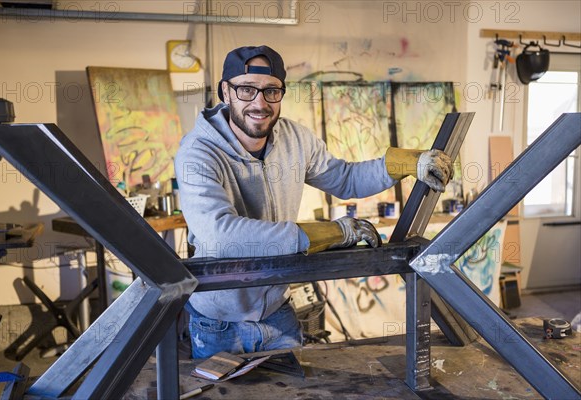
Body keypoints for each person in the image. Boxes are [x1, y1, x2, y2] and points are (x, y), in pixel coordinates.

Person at [175, 45, 453, 359]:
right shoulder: (197, 153)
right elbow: (220, 235)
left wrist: (408, 162)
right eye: (246, 89)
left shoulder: (296, 139)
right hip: (218, 322)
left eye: (271, 91)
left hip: (278, 311)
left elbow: (345, 179)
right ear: (225, 91)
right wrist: (331, 233)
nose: (259, 103)